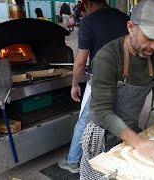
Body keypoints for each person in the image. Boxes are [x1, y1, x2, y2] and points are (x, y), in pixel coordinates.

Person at [79, 0, 154, 179]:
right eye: (149, 37)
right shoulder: (107, 57)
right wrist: (138, 142)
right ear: (131, 27)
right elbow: (102, 110)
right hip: (100, 134)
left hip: (129, 128)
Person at [58, 0, 129, 174]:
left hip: (101, 80)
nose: (83, 12)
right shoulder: (124, 18)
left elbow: (81, 60)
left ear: (88, 3)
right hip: (126, 79)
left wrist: (75, 84)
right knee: (118, 117)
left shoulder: (89, 22)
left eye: (83, 8)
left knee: (85, 120)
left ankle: (73, 161)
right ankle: (115, 156)